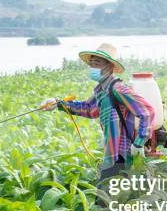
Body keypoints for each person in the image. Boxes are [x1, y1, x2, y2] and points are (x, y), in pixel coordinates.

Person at [40, 43, 156, 183]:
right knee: (109, 196)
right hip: (111, 153)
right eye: (91, 64)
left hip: (123, 155)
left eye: (98, 63)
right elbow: (89, 109)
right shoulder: (102, 90)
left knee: (107, 197)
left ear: (110, 67)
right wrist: (58, 103)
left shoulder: (117, 88)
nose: (93, 67)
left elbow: (147, 111)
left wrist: (138, 144)